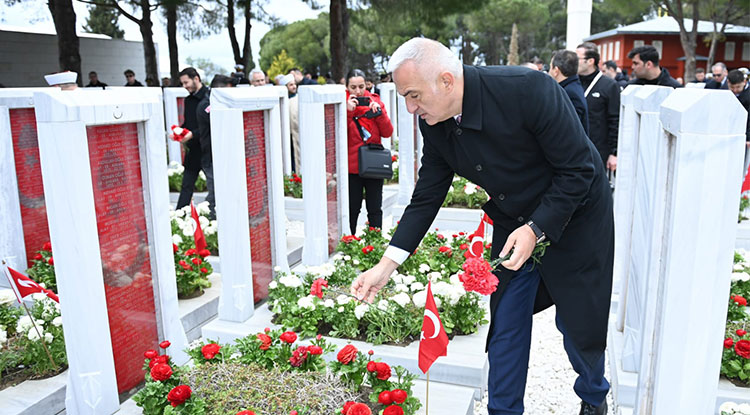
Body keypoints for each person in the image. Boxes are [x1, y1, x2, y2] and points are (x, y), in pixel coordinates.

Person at [350, 38, 613, 415]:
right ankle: (503, 410)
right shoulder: (436, 122)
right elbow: (427, 196)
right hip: (514, 220)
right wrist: (385, 265)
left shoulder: (529, 90)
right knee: (506, 323)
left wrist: (538, 228)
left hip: (576, 215)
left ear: (446, 80)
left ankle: (593, 395)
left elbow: (579, 170)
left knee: (578, 325)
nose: (409, 108)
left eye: (413, 95)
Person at [345, 68, 394, 235]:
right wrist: (347, 113)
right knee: (352, 209)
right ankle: (349, 244)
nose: (358, 91)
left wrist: (378, 113)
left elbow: (387, 132)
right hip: (352, 167)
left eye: (361, 86)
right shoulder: (341, 104)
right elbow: (336, 136)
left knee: (375, 208)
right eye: (353, 87)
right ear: (347, 87)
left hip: (373, 164)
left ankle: (375, 243)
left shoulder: (376, 101)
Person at [175, 67, 215, 217]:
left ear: (196, 79)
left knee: (213, 186)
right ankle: (179, 217)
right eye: (182, 83)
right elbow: (188, 123)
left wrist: (193, 134)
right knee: (186, 185)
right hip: (193, 150)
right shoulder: (188, 100)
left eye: (186, 82)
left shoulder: (210, 97)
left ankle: (213, 215)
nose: (185, 86)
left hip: (207, 149)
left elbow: (209, 126)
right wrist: (180, 132)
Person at [577, 42, 621, 172]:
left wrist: (614, 153)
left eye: (577, 58)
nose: (573, 62)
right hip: (573, 148)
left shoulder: (609, 85)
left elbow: (615, 120)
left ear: (590, 61)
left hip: (598, 151)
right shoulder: (572, 82)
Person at [549, 49, 589, 135]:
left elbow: (568, 131)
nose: (549, 72)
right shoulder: (571, 87)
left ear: (556, 71)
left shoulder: (569, 93)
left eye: (550, 68)